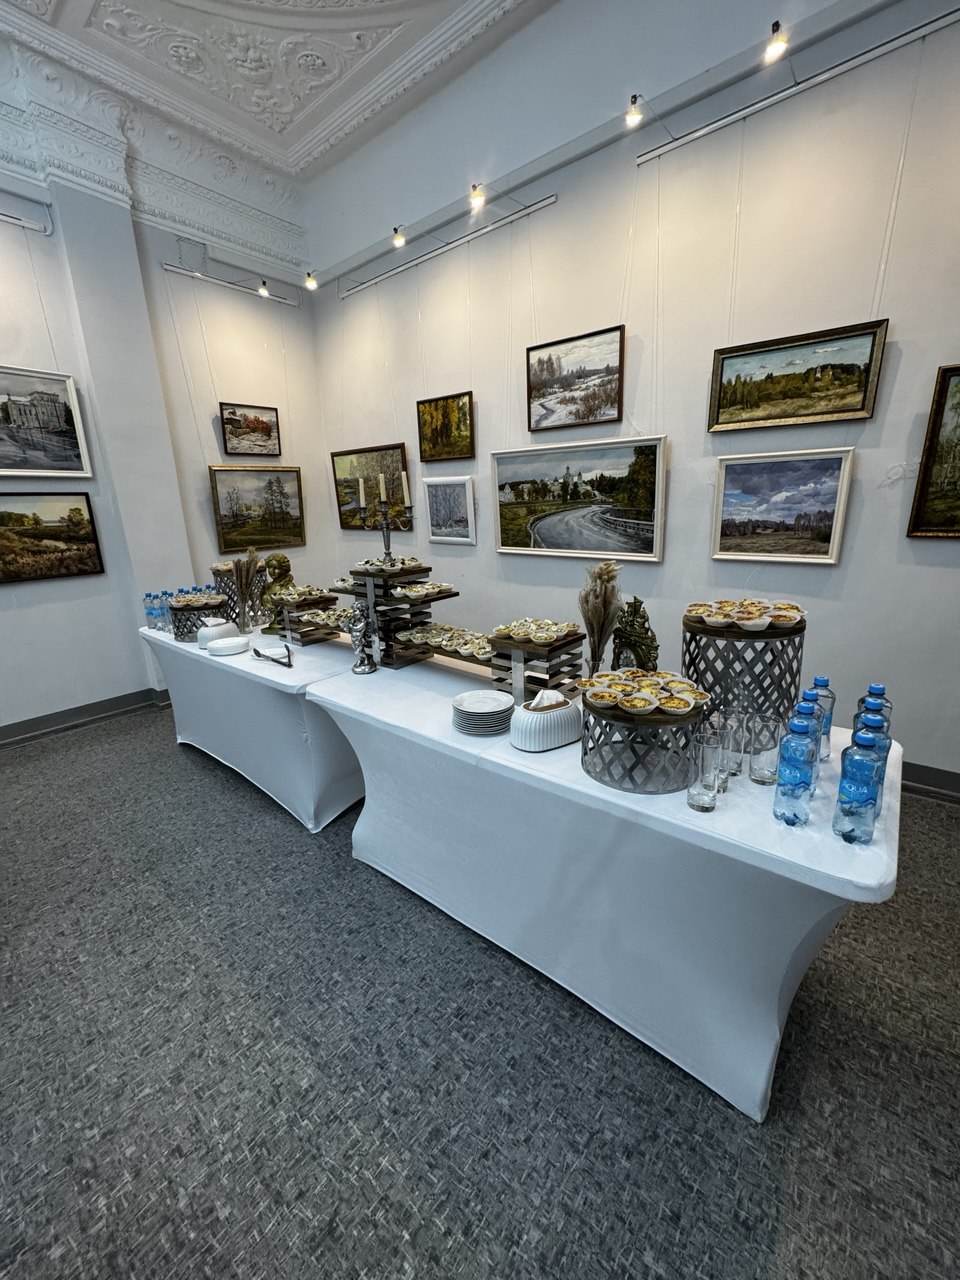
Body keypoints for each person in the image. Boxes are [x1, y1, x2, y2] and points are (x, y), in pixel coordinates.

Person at [260, 552, 295, 626]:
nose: (272, 571)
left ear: (284, 569)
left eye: (276, 568)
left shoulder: (289, 587)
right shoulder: (266, 587)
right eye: (269, 568)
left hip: (286, 622)